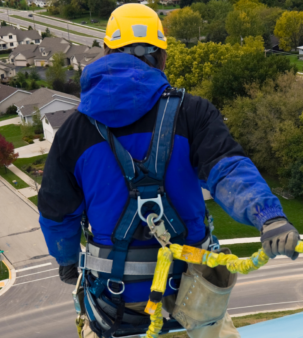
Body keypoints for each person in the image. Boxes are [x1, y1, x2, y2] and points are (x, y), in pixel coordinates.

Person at [38, 4, 300, 338]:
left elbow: (57, 214)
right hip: (194, 294)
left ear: (105, 53)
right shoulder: (192, 113)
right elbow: (228, 169)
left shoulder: (74, 132)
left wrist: (67, 261)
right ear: (162, 58)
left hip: (114, 301)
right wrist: (269, 216)